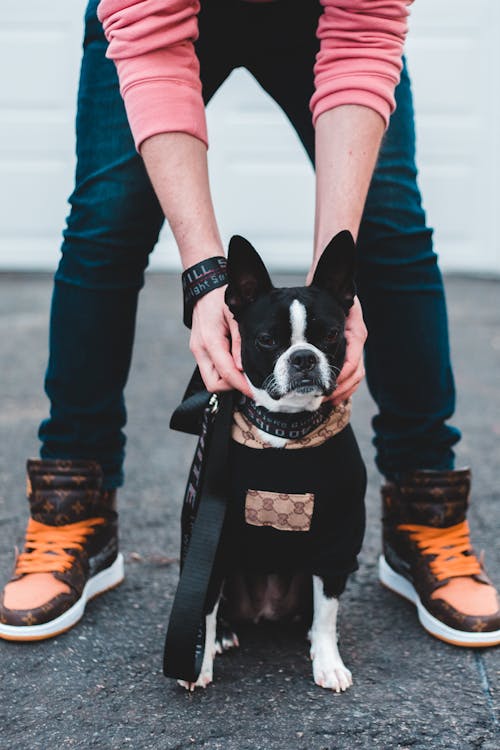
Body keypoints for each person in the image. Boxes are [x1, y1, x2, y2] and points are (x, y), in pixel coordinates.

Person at [0, 0, 498, 647]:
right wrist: (206, 279)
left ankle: (424, 508)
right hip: (158, 17)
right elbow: (151, 42)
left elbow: (362, 35)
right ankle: (76, 503)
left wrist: (335, 291)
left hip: (326, 18)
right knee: (105, 219)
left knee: (390, 227)